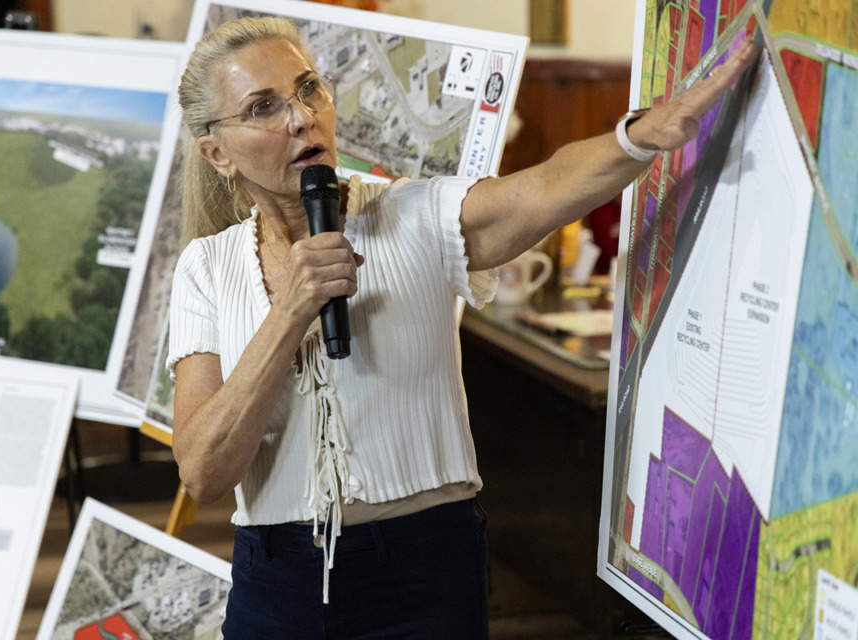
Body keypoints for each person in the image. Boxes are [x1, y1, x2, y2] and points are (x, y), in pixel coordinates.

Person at [167, 15, 758, 639]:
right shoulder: (207, 269)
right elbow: (204, 472)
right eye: (263, 107)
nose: (301, 118)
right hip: (278, 580)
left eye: (308, 88)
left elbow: (542, 189)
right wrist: (289, 314)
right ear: (217, 152)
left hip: (425, 572)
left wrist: (640, 135)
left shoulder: (418, 216)